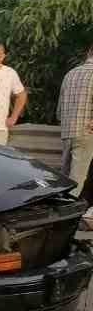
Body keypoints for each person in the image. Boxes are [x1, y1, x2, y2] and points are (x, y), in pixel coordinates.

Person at [58, 45, 93, 198]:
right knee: (77, 179)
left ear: (89, 52)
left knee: (64, 177)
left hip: (67, 131)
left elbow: (59, 111)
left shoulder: (70, 74)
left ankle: (56, 211)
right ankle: (66, 215)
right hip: (87, 132)